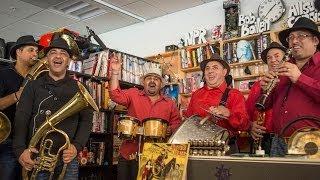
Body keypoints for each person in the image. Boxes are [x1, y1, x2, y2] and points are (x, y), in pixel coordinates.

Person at [13, 37, 94, 179]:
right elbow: (21, 118)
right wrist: (20, 151)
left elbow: (86, 121)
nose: (58, 56)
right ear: (47, 59)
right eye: (53, 52)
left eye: (63, 53)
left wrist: (77, 146)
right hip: (36, 156)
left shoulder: (79, 88)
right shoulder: (32, 86)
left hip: (67, 158)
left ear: (69, 60)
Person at [109, 54, 181, 180]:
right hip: (129, 154)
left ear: (161, 84)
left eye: (156, 79)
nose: (152, 81)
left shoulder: (170, 103)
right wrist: (115, 72)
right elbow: (115, 94)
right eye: (149, 78)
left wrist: (170, 129)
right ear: (143, 82)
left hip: (156, 157)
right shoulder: (133, 94)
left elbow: (177, 123)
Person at [261, 17, 320, 156]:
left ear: (315, 41)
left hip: (312, 140)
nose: (294, 41)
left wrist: (300, 78)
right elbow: (268, 105)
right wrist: (265, 92)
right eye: (291, 37)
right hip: (279, 140)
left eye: (301, 36)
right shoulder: (283, 67)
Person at [184, 53, 249, 153]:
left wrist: (228, 113)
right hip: (199, 148)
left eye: (215, 68)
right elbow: (189, 120)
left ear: (224, 72)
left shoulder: (235, 95)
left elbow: (245, 125)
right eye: (207, 68)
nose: (210, 71)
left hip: (226, 149)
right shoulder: (196, 94)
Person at [0, 35, 41, 180]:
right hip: (8, 140)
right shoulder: (3, 74)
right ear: (18, 52)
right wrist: (18, 95)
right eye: (31, 50)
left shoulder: (39, 78)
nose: (35, 54)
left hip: (30, 141)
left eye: (36, 51)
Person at [246, 42, 286, 155]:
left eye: (277, 56)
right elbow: (247, 111)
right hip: (262, 139)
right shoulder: (257, 85)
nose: (272, 60)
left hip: (286, 138)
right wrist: (250, 126)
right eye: (269, 58)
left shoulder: (291, 81)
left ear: (286, 58)